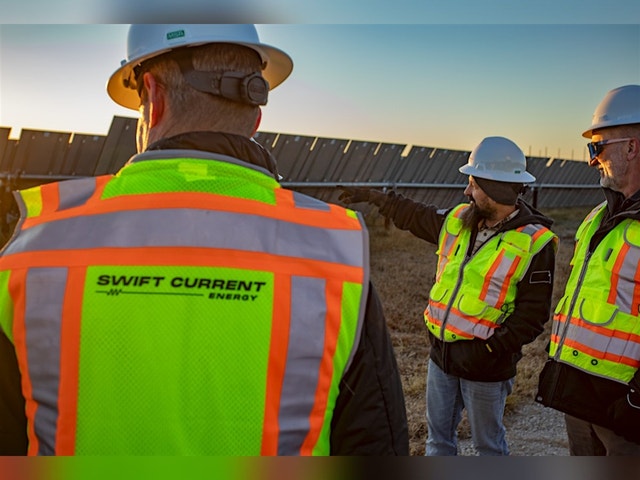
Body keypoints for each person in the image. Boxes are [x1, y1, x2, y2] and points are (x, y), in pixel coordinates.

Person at [0, 24, 409, 456]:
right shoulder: (333, 252)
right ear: (255, 118)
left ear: (152, 97)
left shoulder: (38, 243)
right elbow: (377, 446)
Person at [340, 136, 558, 456]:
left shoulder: (535, 242)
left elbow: (533, 315)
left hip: (486, 366)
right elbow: (415, 215)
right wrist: (378, 198)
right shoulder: (458, 221)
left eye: (474, 184)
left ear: (495, 188)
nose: (467, 192)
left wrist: (489, 350)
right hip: (441, 357)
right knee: (437, 441)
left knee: (488, 447)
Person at [536, 84, 640, 456]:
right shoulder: (598, 217)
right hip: (581, 397)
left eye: (597, 148)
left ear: (631, 147)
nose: (592, 161)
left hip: (624, 412)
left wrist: (635, 401)